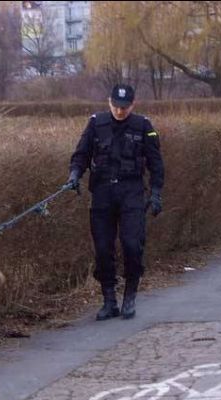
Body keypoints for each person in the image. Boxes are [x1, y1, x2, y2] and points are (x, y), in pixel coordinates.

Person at [64, 83, 164, 320]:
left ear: (133, 104)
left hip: (131, 193)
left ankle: (130, 295)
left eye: (125, 107)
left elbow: (156, 164)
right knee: (102, 248)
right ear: (109, 102)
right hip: (103, 193)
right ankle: (109, 300)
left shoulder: (143, 126)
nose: (120, 111)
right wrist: (75, 174)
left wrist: (156, 192)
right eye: (116, 106)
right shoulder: (96, 124)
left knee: (131, 245)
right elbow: (81, 154)